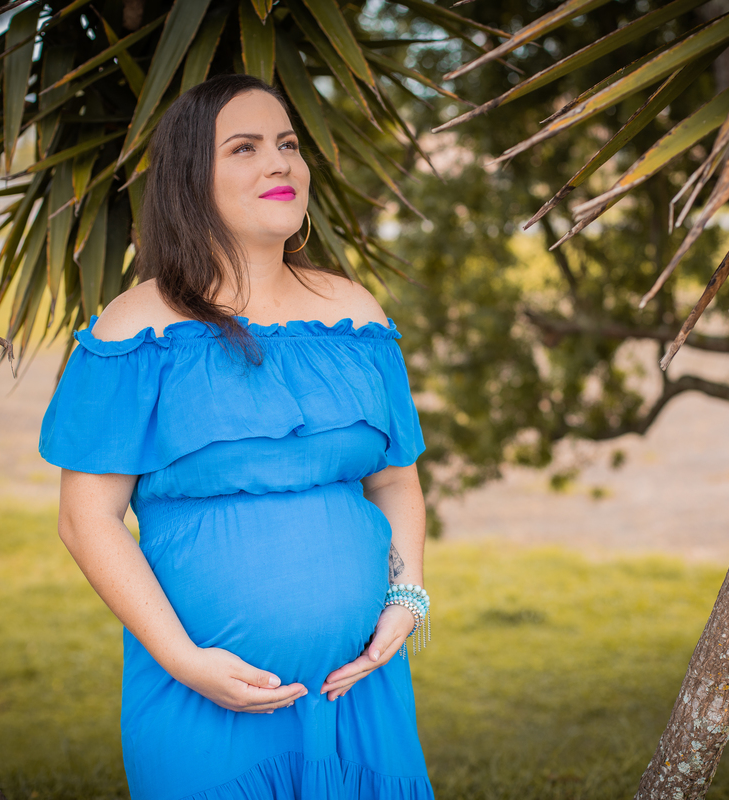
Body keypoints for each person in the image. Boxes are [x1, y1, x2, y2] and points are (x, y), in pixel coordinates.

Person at [38, 74, 434, 799]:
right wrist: (183, 659)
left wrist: (407, 599)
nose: (279, 163)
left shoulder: (355, 314)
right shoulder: (135, 328)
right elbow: (86, 519)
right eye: (244, 148)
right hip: (205, 695)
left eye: (287, 143)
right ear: (193, 179)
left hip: (360, 690)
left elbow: (395, 478)